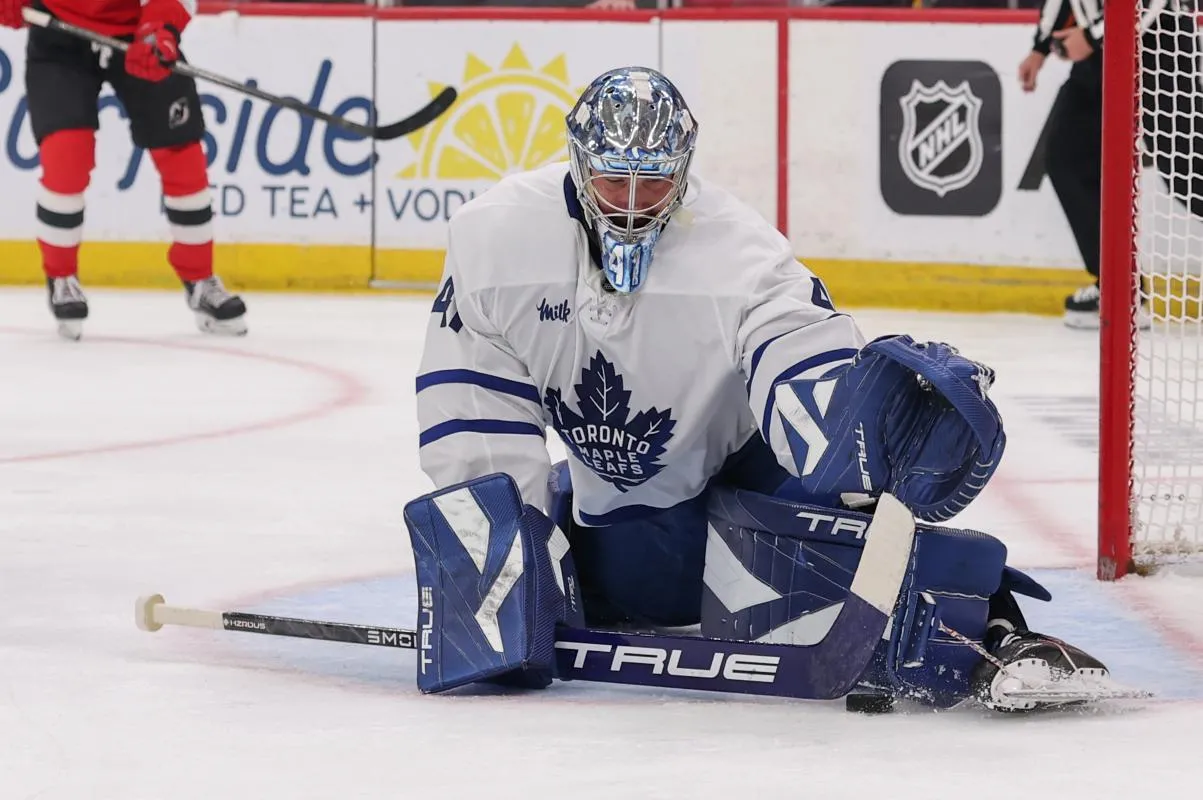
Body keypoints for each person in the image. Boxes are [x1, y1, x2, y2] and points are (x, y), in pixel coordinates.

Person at [405, 66, 1116, 711]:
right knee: (638, 597)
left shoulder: (738, 252)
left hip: (746, 465)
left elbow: (798, 351)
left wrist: (847, 431)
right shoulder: (493, 240)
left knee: (834, 541)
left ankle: (996, 627)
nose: (628, 203)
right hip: (632, 510)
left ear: (682, 173)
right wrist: (497, 565)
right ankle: (565, 520)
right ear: (577, 163)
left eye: (650, 181)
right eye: (610, 180)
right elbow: (471, 410)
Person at [0, 0, 247, 340]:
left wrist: (160, 30)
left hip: (139, 32)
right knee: (66, 156)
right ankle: (61, 277)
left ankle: (200, 278)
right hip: (60, 33)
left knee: (182, 156)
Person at [1019, 0, 1198, 329]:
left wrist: (1092, 34)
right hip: (1101, 52)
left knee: (1191, 178)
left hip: (1159, 44)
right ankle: (1118, 288)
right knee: (1066, 158)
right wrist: (1041, 46)